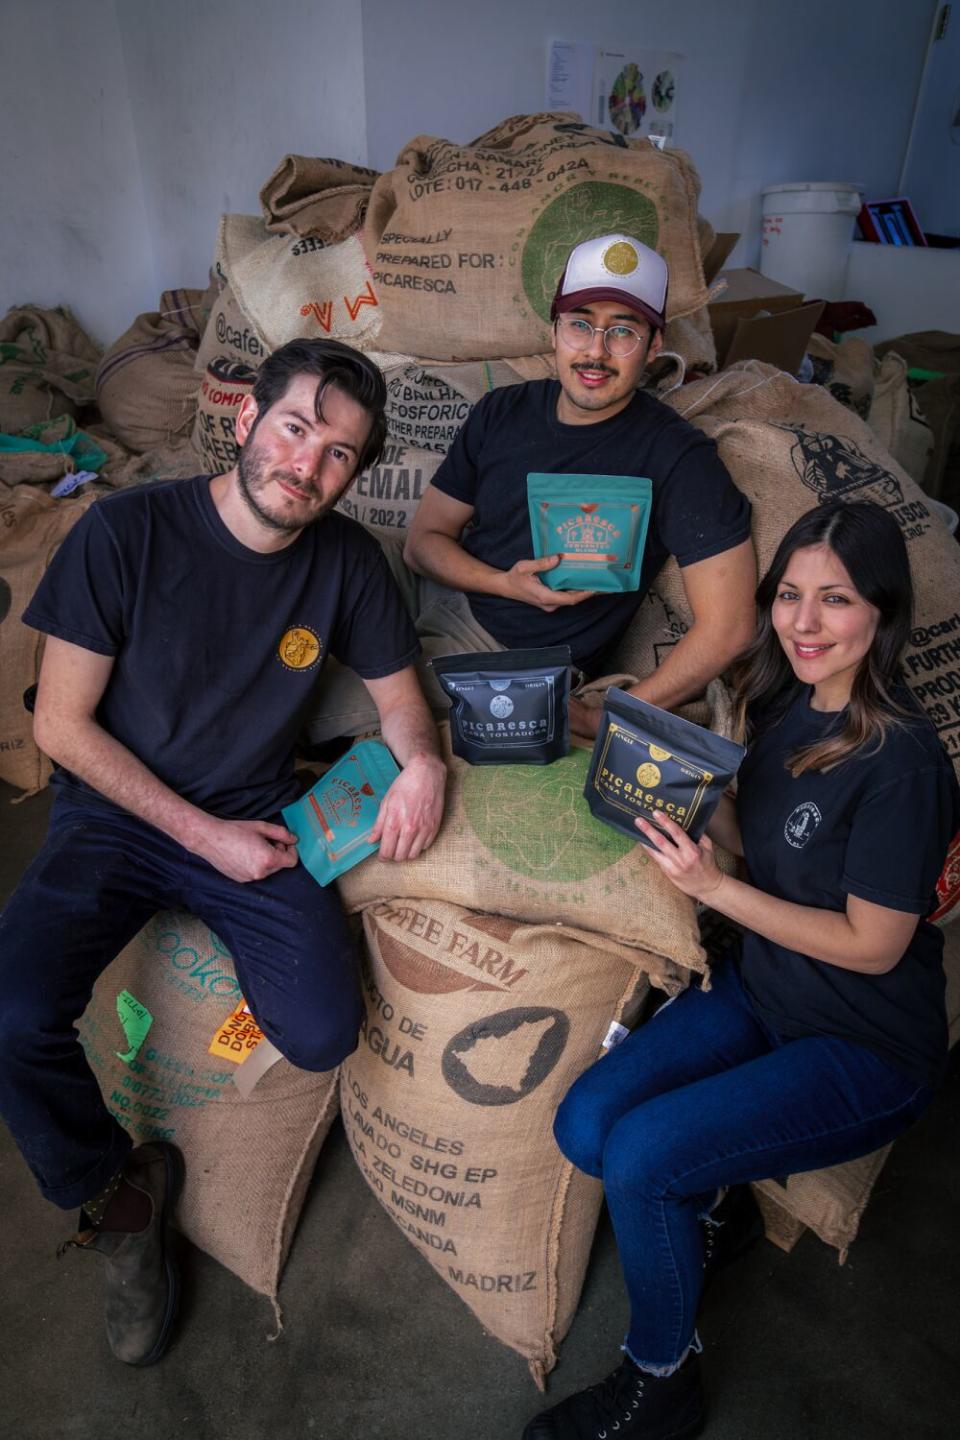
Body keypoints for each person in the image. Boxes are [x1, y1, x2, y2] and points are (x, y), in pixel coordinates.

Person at [0, 338, 446, 1368]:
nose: (309, 465)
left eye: (339, 454)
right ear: (246, 420)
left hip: (256, 813)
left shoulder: (346, 562)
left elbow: (401, 706)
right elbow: (63, 729)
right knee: (13, 1013)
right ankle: (121, 1198)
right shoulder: (124, 532)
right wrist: (200, 838)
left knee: (325, 1031)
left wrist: (418, 764)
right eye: (295, 429)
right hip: (113, 818)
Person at [522, 501, 959, 1439]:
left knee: (641, 1163)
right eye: (790, 596)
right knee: (586, 1122)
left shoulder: (904, 763)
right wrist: (669, 791)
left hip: (866, 1040)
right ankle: (709, 1201)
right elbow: (754, 844)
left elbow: (874, 944)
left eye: (834, 600)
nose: (803, 623)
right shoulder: (787, 703)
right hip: (767, 989)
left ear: (881, 611)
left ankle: (659, 1382)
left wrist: (709, 890)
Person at [305, 233, 756, 746]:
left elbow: (731, 626)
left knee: (306, 704)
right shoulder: (504, 411)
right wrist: (503, 581)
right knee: (312, 551)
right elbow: (423, 541)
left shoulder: (676, 457)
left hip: (499, 646)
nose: (595, 351)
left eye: (623, 332)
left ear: (654, 345)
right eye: (580, 325)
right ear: (554, 331)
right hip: (441, 586)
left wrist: (610, 713)